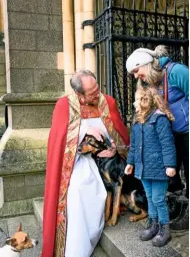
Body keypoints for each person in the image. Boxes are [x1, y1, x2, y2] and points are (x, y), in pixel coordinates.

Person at [41, 69, 130, 257]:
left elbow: (119, 133)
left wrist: (115, 148)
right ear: (79, 93)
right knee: (77, 189)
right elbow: (59, 139)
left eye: (97, 88)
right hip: (79, 160)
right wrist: (84, 129)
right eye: (92, 93)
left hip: (106, 161)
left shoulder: (107, 102)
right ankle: (75, 247)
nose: (97, 94)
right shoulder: (64, 105)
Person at [126, 45, 189, 231]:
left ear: (145, 64)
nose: (136, 76)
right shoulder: (152, 80)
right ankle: (176, 209)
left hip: (187, 131)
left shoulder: (177, 71)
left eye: (136, 71)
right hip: (170, 132)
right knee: (171, 174)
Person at [125, 86, 176, 247]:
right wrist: (130, 162)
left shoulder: (159, 120)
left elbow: (167, 144)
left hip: (159, 168)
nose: (134, 103)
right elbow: (133, 146)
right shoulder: (138, 121)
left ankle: (164, 229)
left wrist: (170, 165)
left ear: (144, 101)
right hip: (143, 168)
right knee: (149, 197)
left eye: (136, 99)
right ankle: (153, 224)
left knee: (158, 199)